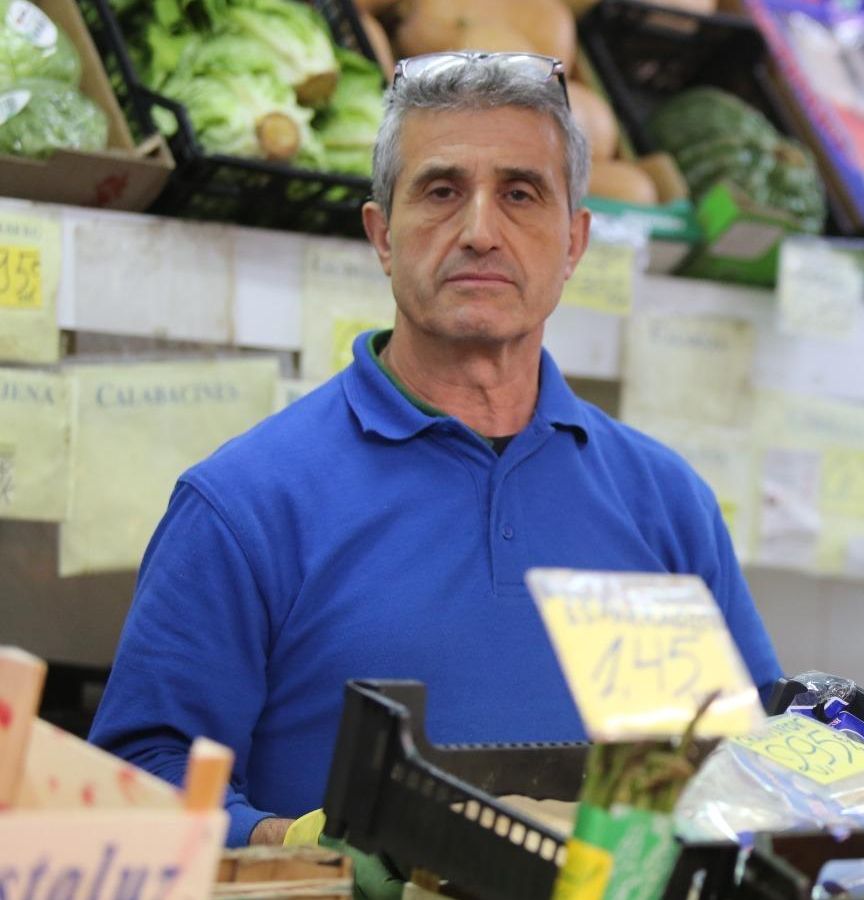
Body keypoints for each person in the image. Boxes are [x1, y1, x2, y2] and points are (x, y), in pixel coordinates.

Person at [88, 52, 783, 848]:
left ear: (574, 242)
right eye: (442, 191)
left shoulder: (666, 503)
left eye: (521, 194)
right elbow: (137, 780)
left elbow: (750, 767)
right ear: (382, 235)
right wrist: (295, 847)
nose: (481, 231)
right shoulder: (245, 503)